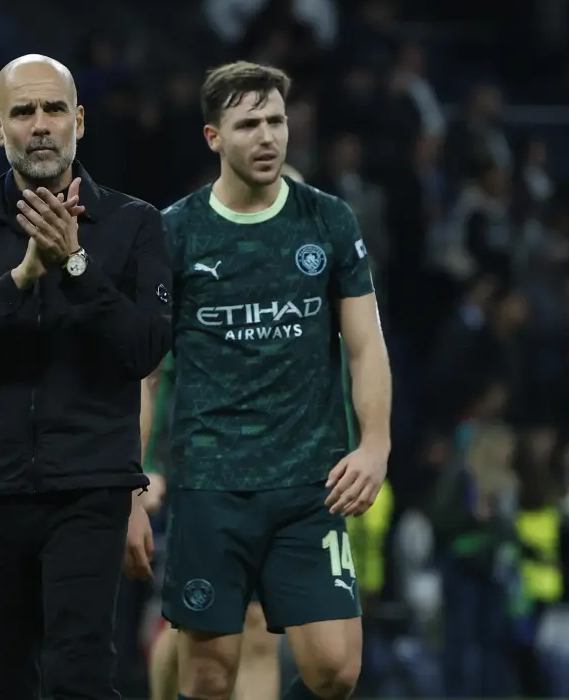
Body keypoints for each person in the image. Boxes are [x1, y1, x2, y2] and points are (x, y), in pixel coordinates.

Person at [0, 54, 172, 699]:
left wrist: (76, 265)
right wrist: (20, 280)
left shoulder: (134, 225)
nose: (41, 125)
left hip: (89, 488)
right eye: (23, 112)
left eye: (54, 109)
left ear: (79, 121)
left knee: (78, 675)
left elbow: (144, 347)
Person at [134, 62, 391, 700]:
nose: (268, 135)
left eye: (275, 120)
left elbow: (365, 345)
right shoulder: (175, 232)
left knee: (336, 669)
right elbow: (142, 370)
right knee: (209, 673)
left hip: (310, 483)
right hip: (209, 484)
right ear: (213, 136)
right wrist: (134, 475)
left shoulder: (329, 222)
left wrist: (376, 442)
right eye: (248, 124)